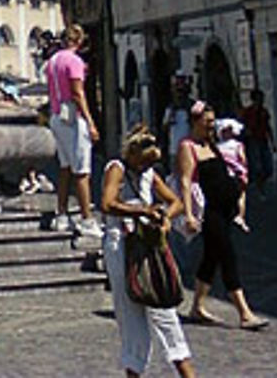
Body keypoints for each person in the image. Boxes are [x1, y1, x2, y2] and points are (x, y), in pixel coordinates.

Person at [100, 124, 196, 378]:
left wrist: (165, 218)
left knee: (163, 306)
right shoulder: (116, 169)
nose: (144, 168)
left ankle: (186, 370)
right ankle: (135, 370)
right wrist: (142, 210)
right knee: (131, 314)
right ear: (131, 154)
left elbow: (173, 201)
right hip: (121, 244)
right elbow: (107, 203)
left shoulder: (149, 174)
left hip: (147, 246)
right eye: (142, 163)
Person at [178, 100, 266, 329]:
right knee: (228, 257)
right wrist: (188, 214)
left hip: (225, 209)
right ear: (195, 122)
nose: (211, 126)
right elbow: (186, 182)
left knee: (211, 258)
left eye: (212, 122)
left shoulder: (211, 143)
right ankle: (244, 313)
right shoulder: (188, 147)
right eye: (207, 122)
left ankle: (197, 306)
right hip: (211, 212)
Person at [44, 22, 101, 242]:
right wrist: (90, 121)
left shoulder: (52, 62)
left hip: (56, 115)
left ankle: (61, 214)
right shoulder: (75, 62)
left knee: (65, 167)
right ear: (79, 41)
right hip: (73, 119)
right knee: (82, 170)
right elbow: (78, 93)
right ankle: (87, 218)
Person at [240, 88, 276, 196]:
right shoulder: (248, 112)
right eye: (259, 99)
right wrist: (247, 131)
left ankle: (259, 182)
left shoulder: (264, 112)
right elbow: (242, 126)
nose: (261, 101)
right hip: (253, 141)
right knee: (258, 166)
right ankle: (261, 189)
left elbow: (268, 127)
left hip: (263, 140)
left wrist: (272, 142)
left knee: (268, 168)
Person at [214, 118, 249, 231]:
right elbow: (243, 159)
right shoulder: (238, 145)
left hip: (222, 176)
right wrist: (245, 172)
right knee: (241, 195)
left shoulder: (217, 147)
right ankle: (240, 217)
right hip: (236, 175)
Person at [162, 75, 193, 168]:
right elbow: (164, 127)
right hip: (174, 148)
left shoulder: (191, 107)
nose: (179, 96)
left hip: (190, 147)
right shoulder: (170, 109)